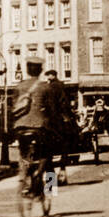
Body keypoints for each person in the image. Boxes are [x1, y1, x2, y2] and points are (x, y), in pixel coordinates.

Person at [13, 57, 68, 196]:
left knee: (24, 154)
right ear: (41, 70)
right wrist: (57, 127)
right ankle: (49, 187)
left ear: (27, 69)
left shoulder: (20, 86)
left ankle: (24, 178)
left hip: (21, 127)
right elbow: (52, 110)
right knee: (47, 154)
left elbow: (13, 107)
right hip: (39, 127)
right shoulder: (45, 87)